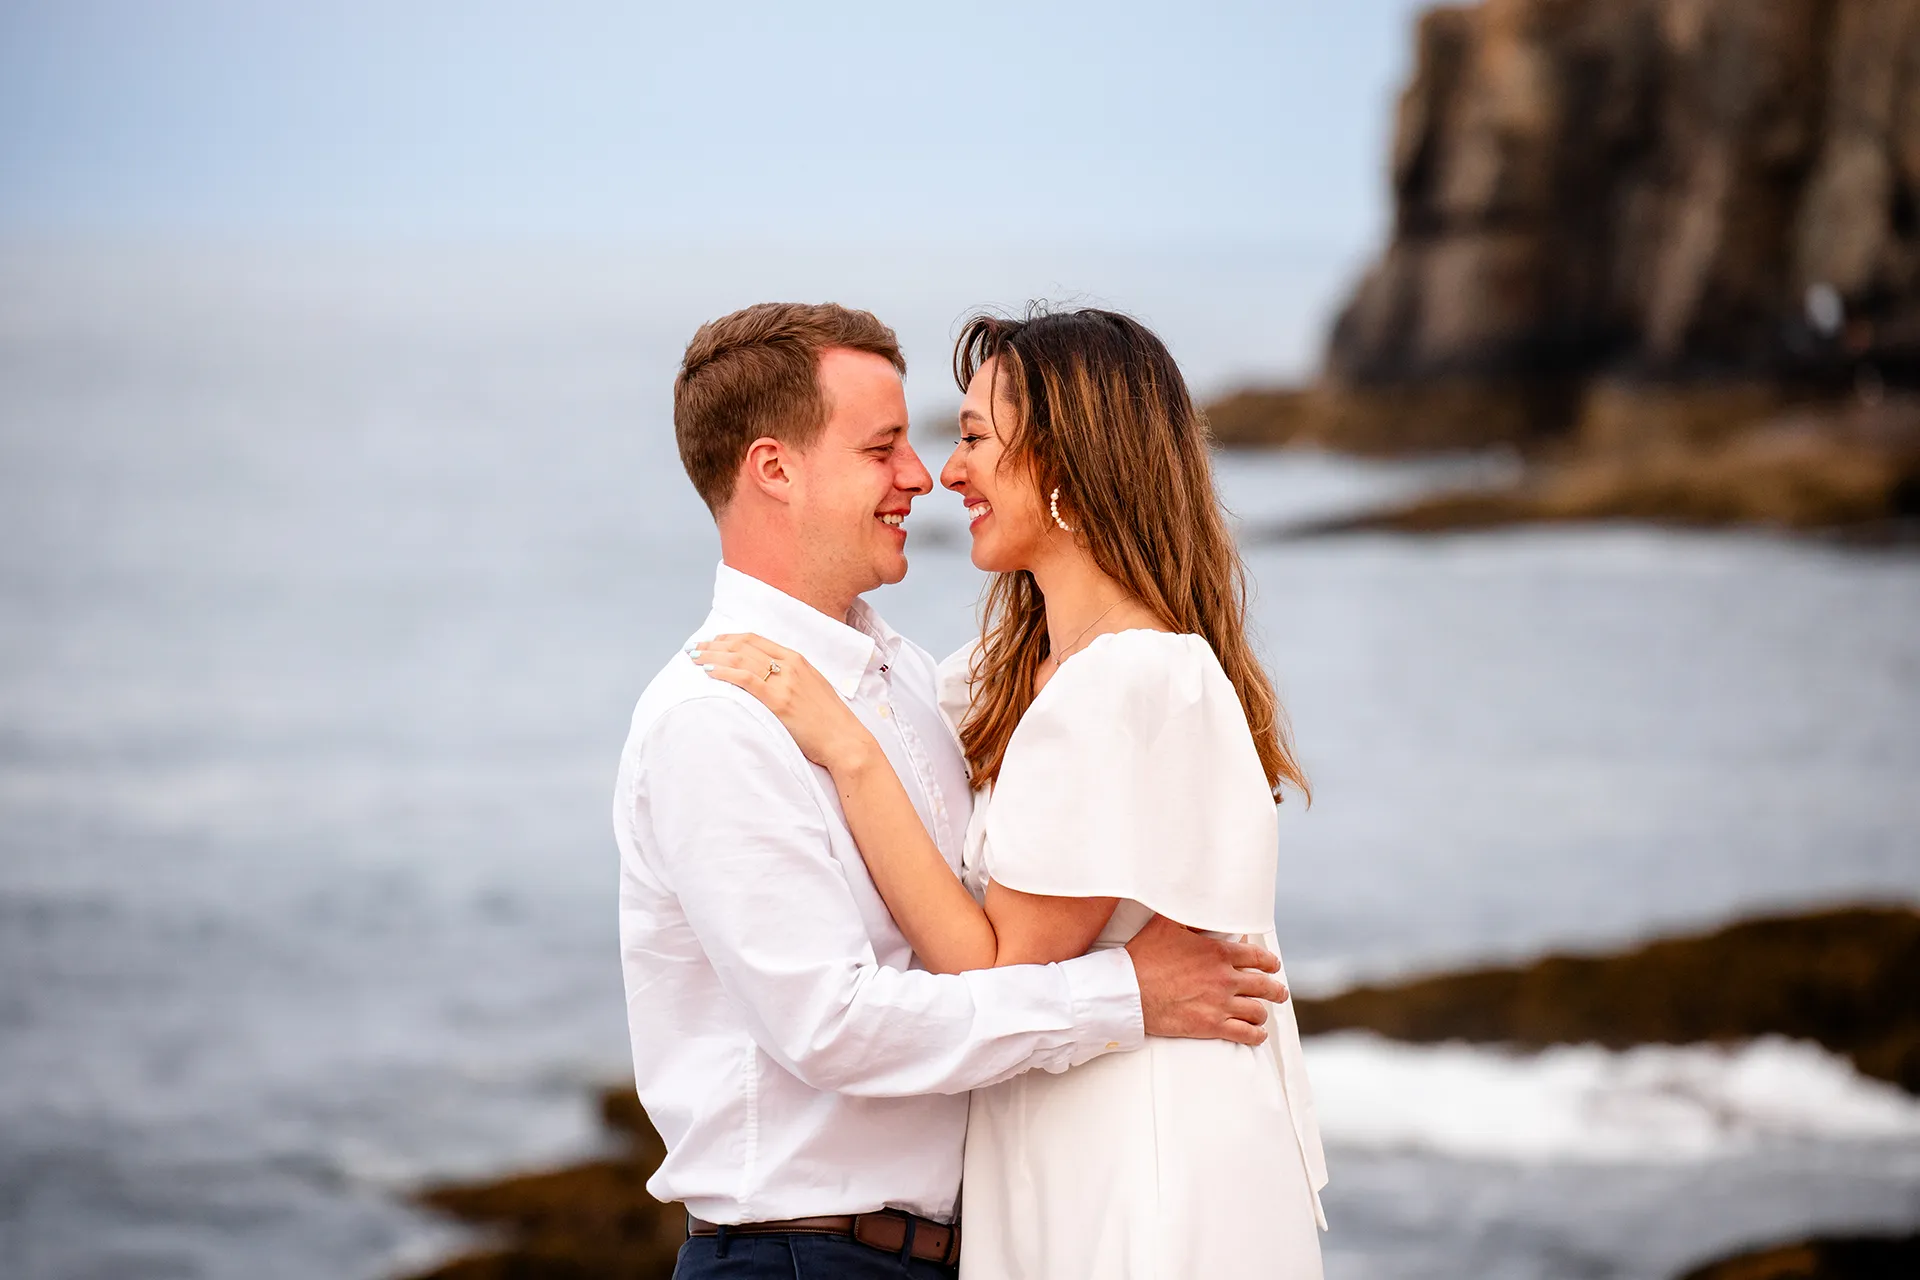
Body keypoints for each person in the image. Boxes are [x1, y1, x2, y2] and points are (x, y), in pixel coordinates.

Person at [614, 301, 1298, 1280]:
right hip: (808, 1254)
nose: (927, 474)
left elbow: (986, 950)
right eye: (885, 445)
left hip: (1009, 1220)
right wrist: (1125, 992)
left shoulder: (925, 689)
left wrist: (851, 749)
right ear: (776, 468)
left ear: (1063, 460)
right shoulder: (722, 715)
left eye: (960, 437)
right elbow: (835, 1024)